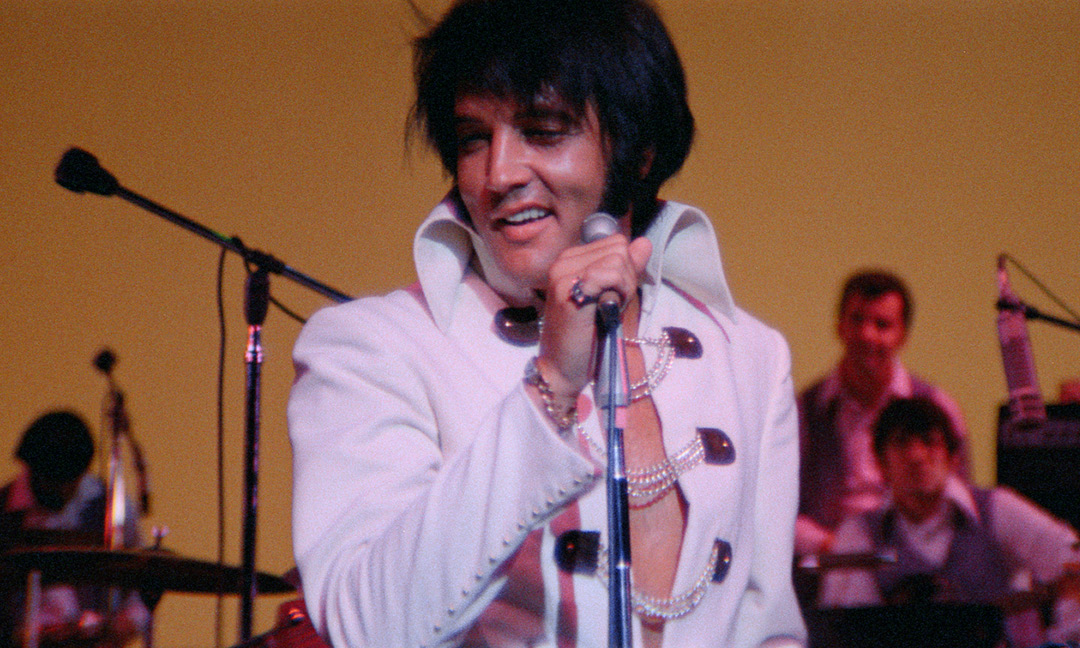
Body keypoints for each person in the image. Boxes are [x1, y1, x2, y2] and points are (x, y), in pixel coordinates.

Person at [287, 1, 805, 646]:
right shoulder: (372, 347)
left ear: (639, 151)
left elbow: (769, 627)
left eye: (543, 130)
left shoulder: (749, 355)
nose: (498, 174)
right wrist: (551, 385)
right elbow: (369, 628)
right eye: (474, 138)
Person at [817, 397, 1080, 647]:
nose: (917, 456)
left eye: (930, 442)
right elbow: (846, 630)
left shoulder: (996, 508)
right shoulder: (859, 533)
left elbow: (1072, 560)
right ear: (880, 463)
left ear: (953, 458)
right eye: (901, 443)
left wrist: (1061, 639)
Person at [796, 270, 970, 558]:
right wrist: (839, 548)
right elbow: (778, 509)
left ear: (903, 336)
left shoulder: (939, 408)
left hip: (917, 562)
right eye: (857, 320)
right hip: (830, 564)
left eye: (882, 325)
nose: (867, 335)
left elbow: (960, 506)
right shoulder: (803, 410)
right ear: (839, 327)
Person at [0, 410, 149, 648]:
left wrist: (127, 623)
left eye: (68, 482)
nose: (60, 491)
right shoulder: (5, 510)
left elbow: (142, 581)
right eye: (51, 482)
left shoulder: (109, 508)